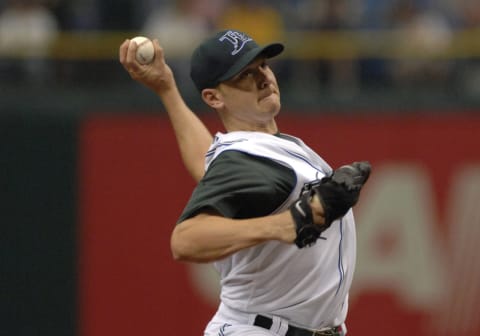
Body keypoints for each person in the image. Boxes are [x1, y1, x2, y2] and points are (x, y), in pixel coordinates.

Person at [119, 29, 370, 336]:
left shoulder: (247, 150)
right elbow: (185, 240)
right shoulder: (247, 161)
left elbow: (204, 160)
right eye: (245, 74)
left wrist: (167, 89)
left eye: (263, 65)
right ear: (213, 97)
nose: (264, 77)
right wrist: (286, 224)